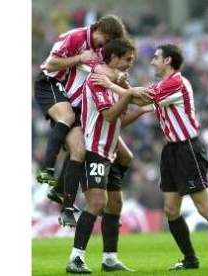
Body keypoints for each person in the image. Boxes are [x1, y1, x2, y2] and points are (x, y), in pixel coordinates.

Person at [92, 44, 208, 271]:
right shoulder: (164, 85)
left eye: (156, 57)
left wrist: (110, 85)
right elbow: (141, 98)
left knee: (204, 207)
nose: (152, 61)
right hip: (171, 152)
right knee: (170, 210)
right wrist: (125, 85)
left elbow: (141, 100)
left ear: (167, 61)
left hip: (188, 150)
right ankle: (190, 259)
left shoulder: (176, 82)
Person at [34, 15, 150, 227]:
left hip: (78, 107)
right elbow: (50, 64)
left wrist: (132, 91)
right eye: (126, 60)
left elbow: (119, 106)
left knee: (124, 155)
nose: (103, 46)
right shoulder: (78, 39)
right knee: (77, 144)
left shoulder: (100, 58)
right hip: (55, 89)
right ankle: (53, 177)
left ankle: (72, 192)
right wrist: (125, 87)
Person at [65, 38, 152, 274]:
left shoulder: (115, 80)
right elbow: (111, 115)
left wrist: (141, 110)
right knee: (97, 202)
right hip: (94, 149)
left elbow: (121, 118)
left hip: (109, 150)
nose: (130, 65)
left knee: (115, 203)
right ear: (113, 58)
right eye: (127, 60)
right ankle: (75, 259)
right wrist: (127, 92)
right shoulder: (96, 80)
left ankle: (110, 259)